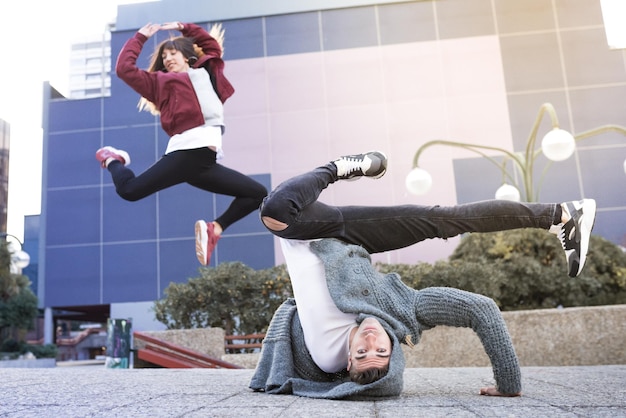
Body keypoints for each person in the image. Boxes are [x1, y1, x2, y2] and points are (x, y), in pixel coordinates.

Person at [249, 151, 596, 399]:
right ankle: (560, 216)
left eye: (360, 353)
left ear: (347, 358)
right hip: (354, 234)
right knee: (445, 220)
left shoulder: (327, 354)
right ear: (394, 354)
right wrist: (509, 384)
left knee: (276, 211)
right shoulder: (408, 313)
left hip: (310, 231)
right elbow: (483, 310)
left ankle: (337, 168)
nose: (371, 341)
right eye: (381, 352)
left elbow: (315, 363)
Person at [95, 22, 267, 266]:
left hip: (205, 162)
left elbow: (211, 46)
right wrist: (141, 36)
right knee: (129, 191)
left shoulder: (207, 71)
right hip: (186, 152)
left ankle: (214, 229)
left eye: (172, 53)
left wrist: (184, 27)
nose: (167, 59)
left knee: (257, 194)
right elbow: (124, 69)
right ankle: (112, 158)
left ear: (187, 56)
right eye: (164, 56)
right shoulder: (159, 82)